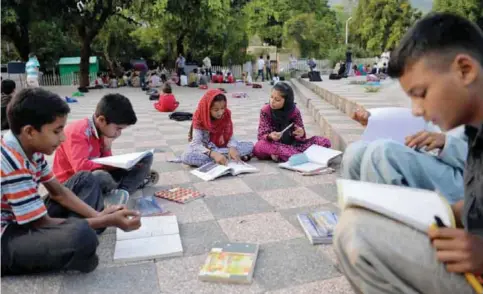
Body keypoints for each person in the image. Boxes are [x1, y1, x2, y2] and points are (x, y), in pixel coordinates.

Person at [335, 13, 483, 294]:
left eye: (421, 93)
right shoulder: (475, 133)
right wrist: (440, 214)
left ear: (465, 70)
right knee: (362, 220)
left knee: (357, 233)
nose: (416, 109)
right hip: (466, 247)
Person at [1, 88, 141, 275]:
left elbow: (58, 192)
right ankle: (78, 234)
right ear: (30, 131)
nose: (63, 138)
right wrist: (106, 220)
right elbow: (41, 223)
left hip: (26, 218)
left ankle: (80, 228)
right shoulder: (11, 162)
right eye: (57, 131)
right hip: (8, 235)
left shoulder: (30, 148)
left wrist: (98, 216)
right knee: (81, 237)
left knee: (86, 178)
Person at [343, 107, 466, 204]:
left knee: (382, 153)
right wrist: (376, 120)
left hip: (466, 176)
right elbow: (422, 121)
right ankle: (358, 221)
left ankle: (383, 228)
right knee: (355, 152)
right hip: (435, 156)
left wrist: (448, 143)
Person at [52, 94, 155, 206]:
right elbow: (81, 168)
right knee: (101, 176)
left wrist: (107, 148)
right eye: (118, 128)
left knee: (146, 158)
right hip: (72, 184)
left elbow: (105, 161)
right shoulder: (77, 132)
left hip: (95, 174)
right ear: (101, 120)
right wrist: (115, 166)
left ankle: (121, 192)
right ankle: (128, 186)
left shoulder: (101, 131)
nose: (118, 133)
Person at [253, 82, 331, 162]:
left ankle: (287, 155)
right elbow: (261, 135)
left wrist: (300, 133)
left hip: (292, 145)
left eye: (277, 100)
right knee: (259, 146)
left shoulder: (294, 112)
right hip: (273, 145)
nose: (272, 101)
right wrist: (270, 136)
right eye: (271, 97)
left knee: (324, 141)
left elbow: (302, 136)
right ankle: (300, 155)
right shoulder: (265, 110)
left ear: (287, 101)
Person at [181, 89, 254, 167]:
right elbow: (196, 144)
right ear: (207, 108)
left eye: (222, 108)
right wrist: (213, 154)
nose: (220, 113)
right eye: (216, 110)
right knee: (186, 156)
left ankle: (223, 158)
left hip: (221, 147)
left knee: (250, 145)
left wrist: (232, 147)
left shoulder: (226, 115)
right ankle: (225, 158)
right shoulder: (199, 117)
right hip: (204, 150)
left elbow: (230, 136)